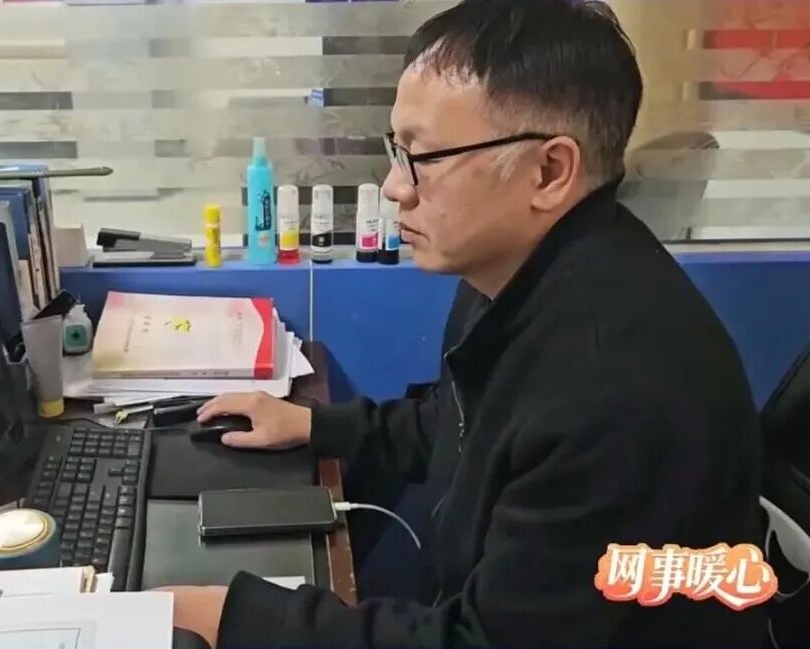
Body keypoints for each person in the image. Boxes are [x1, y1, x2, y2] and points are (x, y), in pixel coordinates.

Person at [156, 0, 769, 647]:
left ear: (549, 171)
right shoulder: (518, 273)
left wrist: (236, 618)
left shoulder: (613, 390)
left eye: (422, 157)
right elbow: (461, 423)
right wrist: (313, 424)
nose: (395, 187)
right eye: (397, 150)